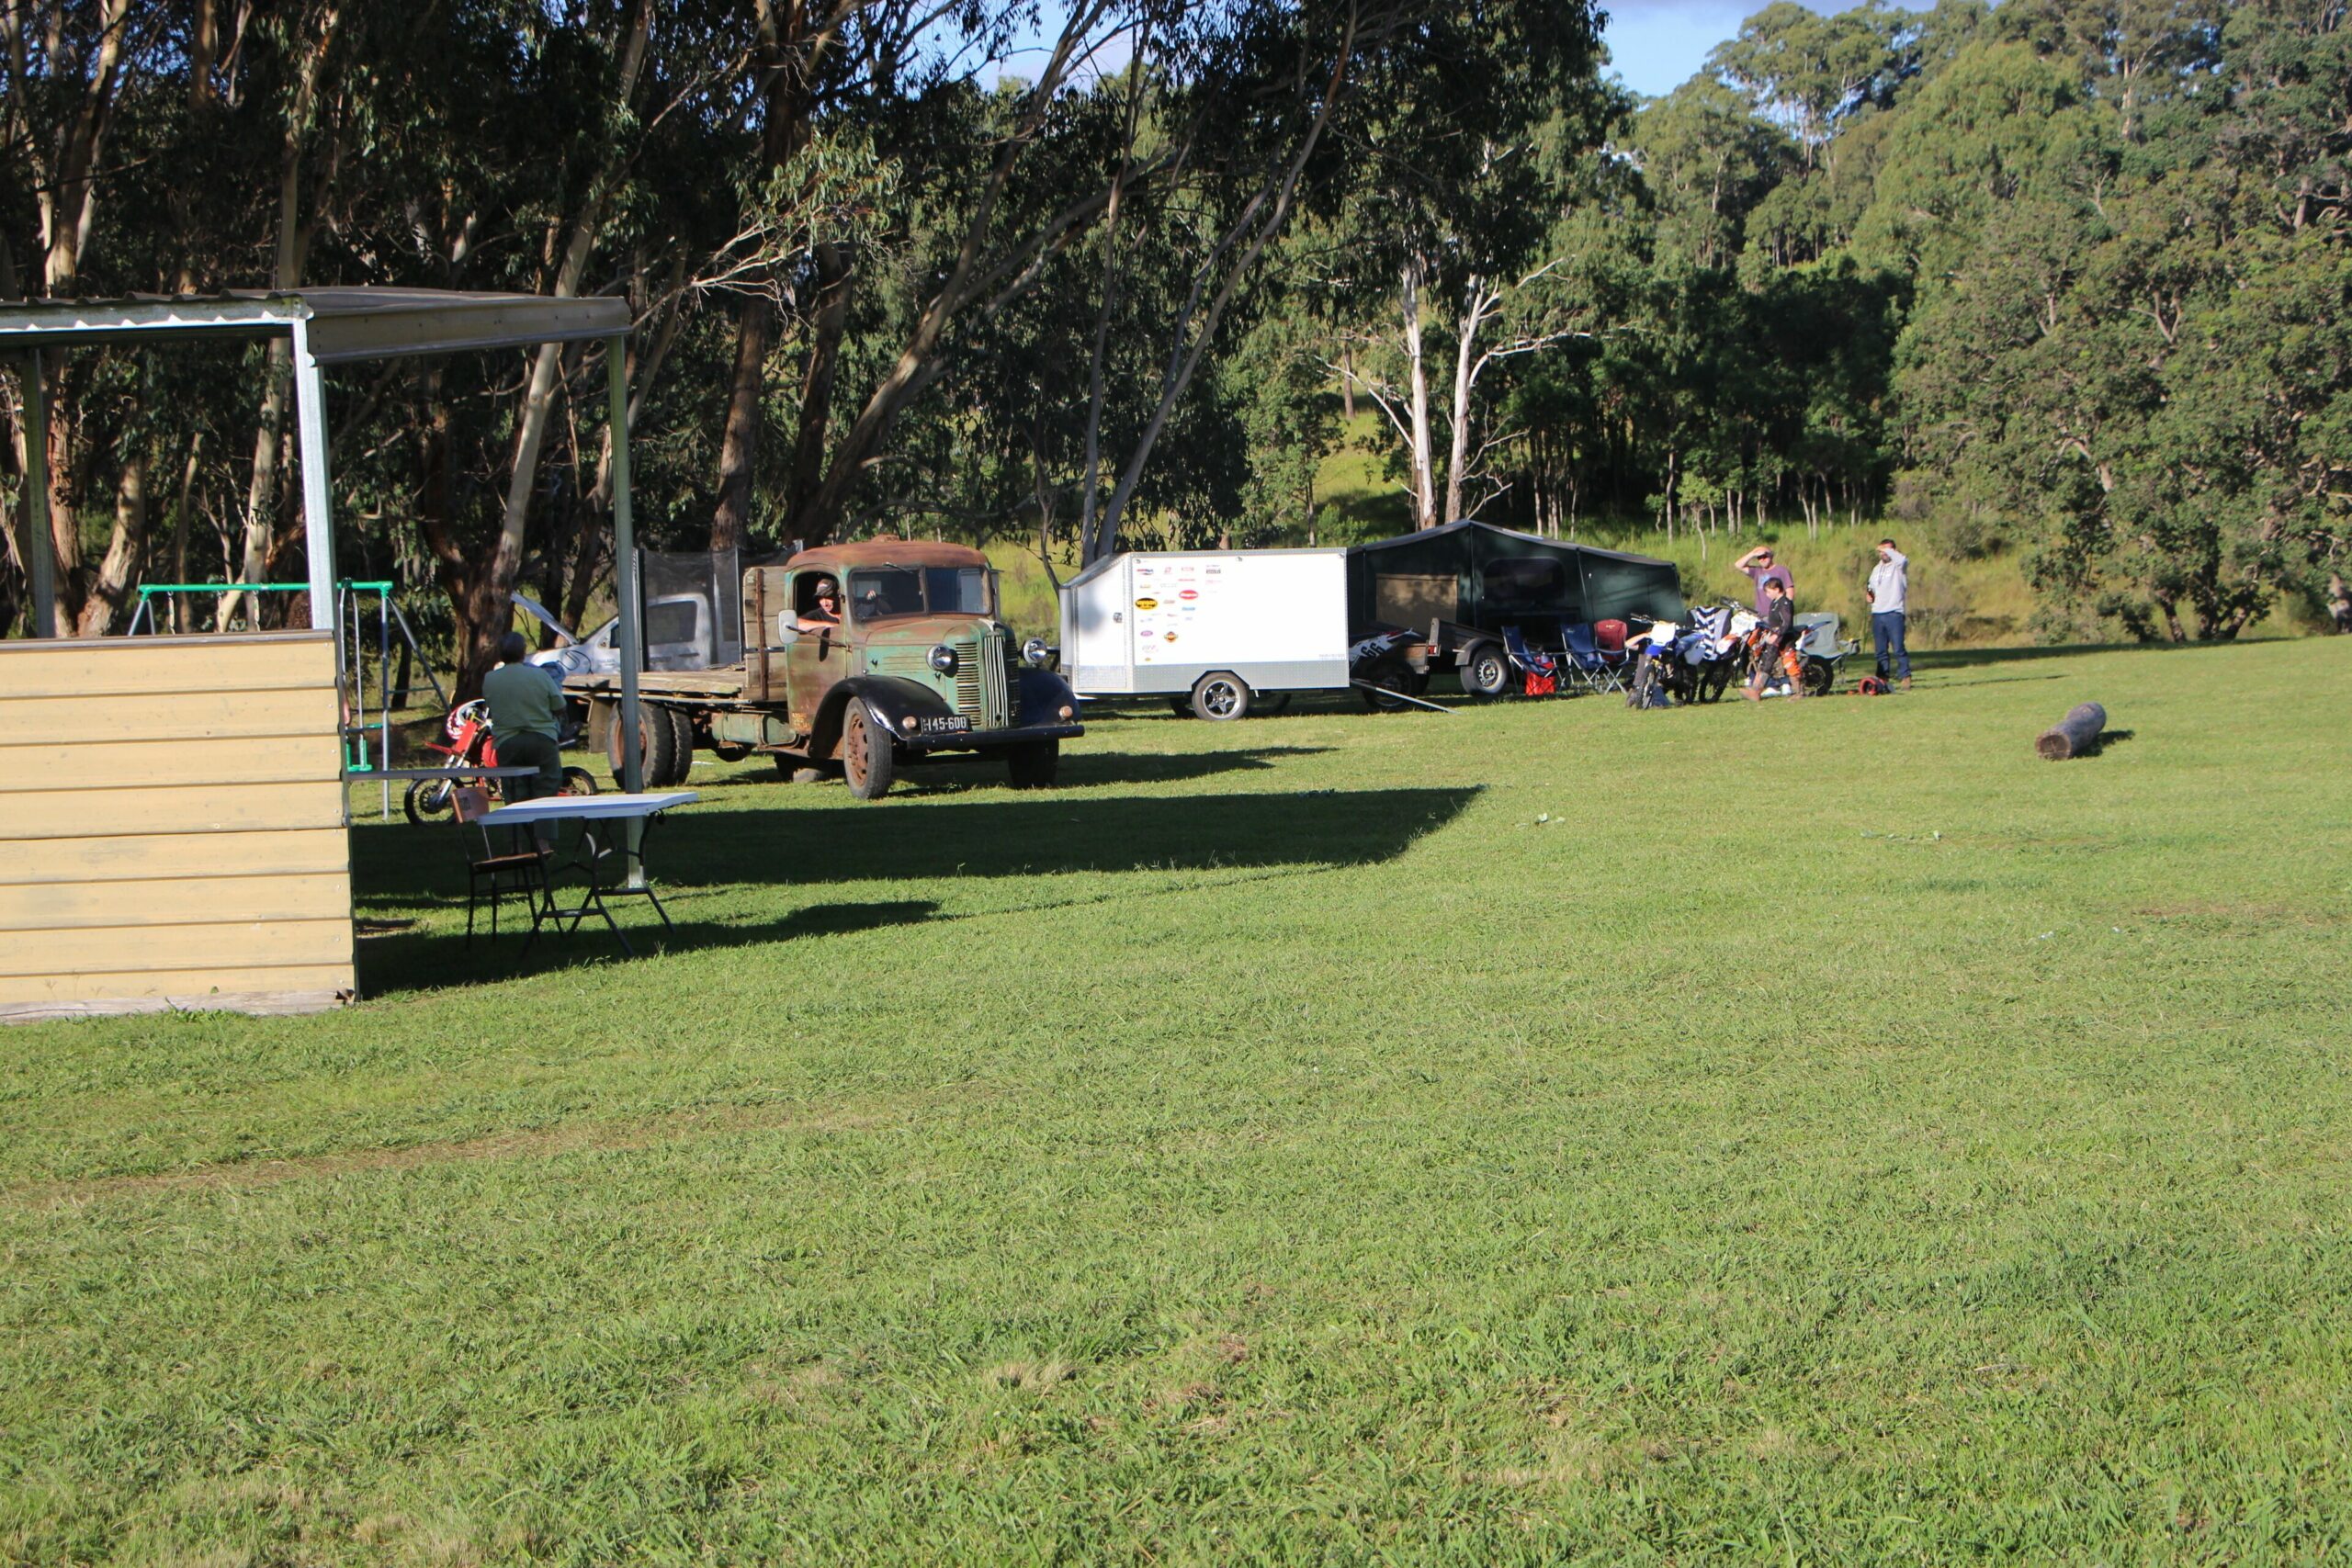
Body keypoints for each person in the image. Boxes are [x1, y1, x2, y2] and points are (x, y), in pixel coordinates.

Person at [481, 631, 565, 846]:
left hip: (508, 741)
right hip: (541, 738)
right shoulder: (540, 676)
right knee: (545, 789)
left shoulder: (491, 679)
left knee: (513, 791)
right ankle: (542, 843)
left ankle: (517, 844)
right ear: (523, 652)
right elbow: (559, 705)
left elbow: (490, 705)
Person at [1740, 577, 1801, 702]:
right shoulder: (1774, 603)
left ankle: (1799, 692)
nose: (1767, 594)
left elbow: (1787, 623)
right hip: (1774, 640)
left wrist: (1777, 634)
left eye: (1768, 591)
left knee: (1790, 663)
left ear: (1777, 589)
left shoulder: (1785, 603)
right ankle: (1755, 691)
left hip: (1785, 639)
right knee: (1765, 663)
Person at [1865, 536, 1913, 689]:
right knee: (1880, 651)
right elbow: (1870, 586)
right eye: (1883, 550)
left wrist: (1888, 550)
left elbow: (1903, 560)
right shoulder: (1876, 569)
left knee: (1898, 648)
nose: (1885, 553)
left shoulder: (1898, 567)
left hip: (1894, 612)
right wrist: (1869, 594)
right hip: (1878, 613)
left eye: (1889, 550)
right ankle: (1882, 678)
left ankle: (1905, 676)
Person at [1734, 544, 1793, 616]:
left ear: (1771, 556)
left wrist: (1784, 610)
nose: (1762, 560)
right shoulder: (1757, 571)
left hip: (1777, 614)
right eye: (1759, 558)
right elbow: (1738, 565)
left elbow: (1789, 592)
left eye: (1764, 556)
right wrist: (1752, 554)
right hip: (1760, 614)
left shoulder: (1782, 570)